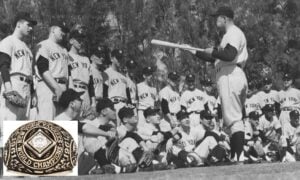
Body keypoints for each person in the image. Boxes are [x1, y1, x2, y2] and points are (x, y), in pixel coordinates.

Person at [184, 6, 248, 162]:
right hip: (231, 74)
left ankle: (238, 157)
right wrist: (193, 50)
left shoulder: (233, 32)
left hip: (230, 75)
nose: (215, 20)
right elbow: (216, 58)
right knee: (231, 120)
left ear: (225, 18)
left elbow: (229, 54)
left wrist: (213, 50)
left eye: (217, 17)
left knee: (233, 119)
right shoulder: (229, 35)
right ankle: (235, 157)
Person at [0, 12, 37, 120]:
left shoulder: (27, 48)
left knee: (21, 129)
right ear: (18, 24)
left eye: (32, 26)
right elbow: (3, 65)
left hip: (27, 88)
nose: (31, 28)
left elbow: (30, 73)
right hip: (14, 84)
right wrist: (9, 88)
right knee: (8, 123)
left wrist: (33, 92)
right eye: (28, 24)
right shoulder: (8, 41)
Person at [35, 21, 70, 120]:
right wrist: (56, 88)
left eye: (65, 31)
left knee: (61, 124)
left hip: (63, 87)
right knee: (47, 122)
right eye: (61, 30)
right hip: (48, 87)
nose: (64, 33)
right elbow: (42, 69)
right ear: (53, 30)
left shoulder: (64, 50)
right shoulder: (43, 45)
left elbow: (69, 73)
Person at [68, 30, 96, 113]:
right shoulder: (66, 55)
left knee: (84, 121)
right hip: (73, 90)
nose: (81, 42)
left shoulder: (86, 59)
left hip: (85, 92)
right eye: (78, 40)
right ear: (71, 41)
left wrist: (93, 102)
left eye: (82, 40)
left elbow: (91, 83)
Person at [103, 49, 130, 126]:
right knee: (115, 130)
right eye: (118, 58)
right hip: (114, 104)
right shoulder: (106, 73)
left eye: (121, 58)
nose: (120, 60)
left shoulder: (124, 77)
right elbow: (104, 93)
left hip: (125, 105)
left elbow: (129, 97)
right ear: (111, 59)